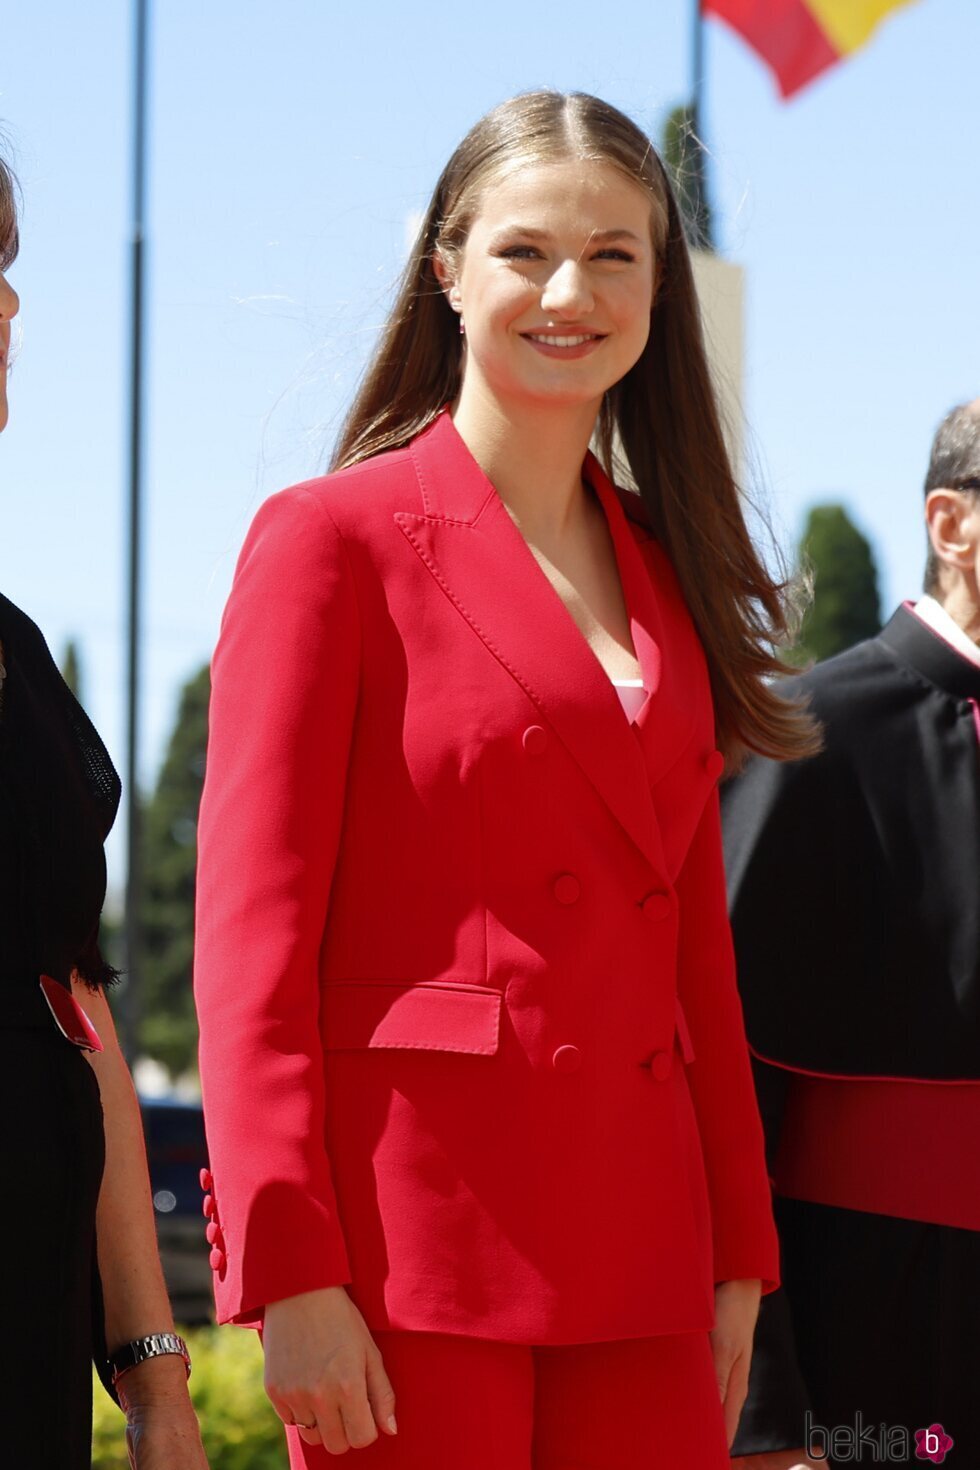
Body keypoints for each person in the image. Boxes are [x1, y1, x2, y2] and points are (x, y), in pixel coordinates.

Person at [194, 90, 818, 1470]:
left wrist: (739, 1247)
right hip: (417, 1254)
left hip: (645, 1252)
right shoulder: (330, 542)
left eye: (615, 255)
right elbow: (253, 950)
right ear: (447, 264)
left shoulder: (672, 567)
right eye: (527, 250)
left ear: (662, 285)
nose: (569, 290)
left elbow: (693, 953)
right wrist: (290, 1268)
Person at [0, 151, 208, 1468]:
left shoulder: (20, 660)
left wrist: (158, 1382)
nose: (6, 310)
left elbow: (79, 1014)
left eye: (7, 271)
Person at [725, 402, 980, 1468]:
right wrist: (766, 1418)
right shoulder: (806, 736)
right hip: (880, 1334)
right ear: (949, 524)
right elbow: (724, 1100)